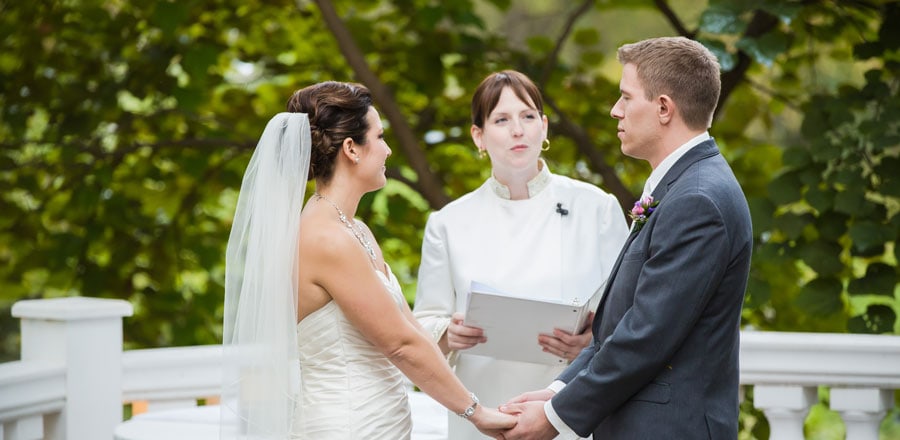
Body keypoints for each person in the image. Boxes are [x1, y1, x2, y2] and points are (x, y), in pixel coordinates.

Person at [220, 81, 516, 439]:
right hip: (347, 426)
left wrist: (449, 335)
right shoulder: (325, 238)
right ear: (351, 149)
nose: (389, 150)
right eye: (380, 137)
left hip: (384, 422)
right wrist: (476, 412)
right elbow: (400, 346)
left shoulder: (355, 230)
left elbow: (410, 333)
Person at [498, 36, 754, 440]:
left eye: (625, 97)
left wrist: (554, 417)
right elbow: (621, 325)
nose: (615, 110)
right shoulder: (684, 185)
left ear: (664, 108)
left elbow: (646, 336)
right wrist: (555, 392)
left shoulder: (699, 199)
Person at [413, 70, 629, 439]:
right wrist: (450, 334)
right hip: (482, 413)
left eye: (528, 117)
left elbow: (629, 314)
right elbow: (423, 325)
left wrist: (587, 344)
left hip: (567, 410)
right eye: (501, 119)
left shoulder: (597, 208)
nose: (518, 130)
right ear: (478, 136)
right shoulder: (448, 222)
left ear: (543, 128)